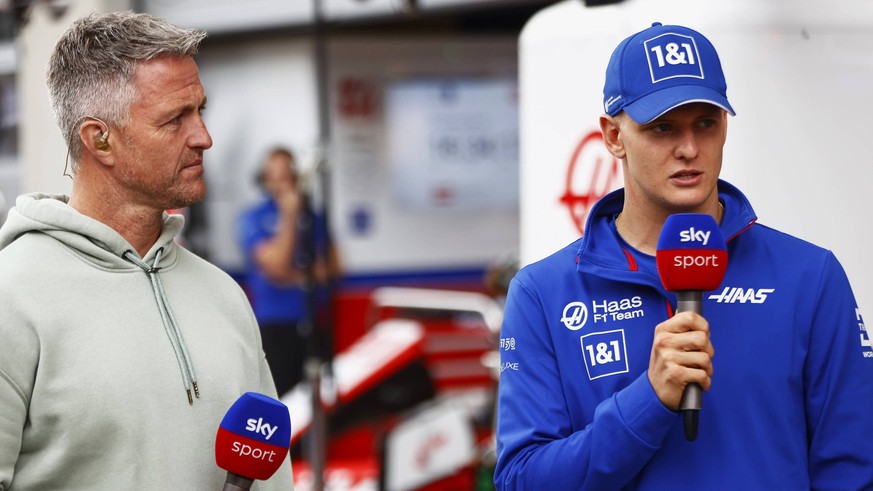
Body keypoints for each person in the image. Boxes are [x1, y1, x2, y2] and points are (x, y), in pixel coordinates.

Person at [494, 22, 873, 490]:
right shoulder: (542, 294)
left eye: (705, 123)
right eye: (663, 127)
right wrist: (647, 401)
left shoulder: (810, 276)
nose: (689, 149)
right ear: (613, 136)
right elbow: (521, 481)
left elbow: (853, 469)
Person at [0, 12, 293, 490]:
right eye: (175, 118)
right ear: (100, 139)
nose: (204, 137)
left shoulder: (224, 296)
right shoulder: (11, 295)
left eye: (200, 110)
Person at [237, 147, 339, 397]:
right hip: (275, 325)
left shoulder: (314, 216)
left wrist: (296, 277)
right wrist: (289, 215)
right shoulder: (253, 217)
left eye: (287, 174)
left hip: (315, 321)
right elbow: (276, 266)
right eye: (275, 175)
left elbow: (333, 268)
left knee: (320, 396)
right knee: (280, 400)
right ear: (265, 179)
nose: (283, 182)